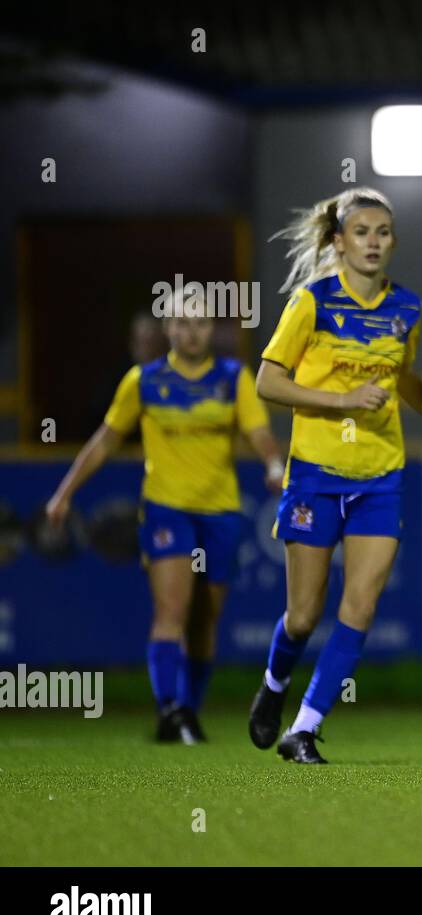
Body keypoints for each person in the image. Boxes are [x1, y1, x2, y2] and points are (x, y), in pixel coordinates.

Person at [247, 187, 422, 764]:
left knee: (360, 607)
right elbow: (268, 383)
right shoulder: (312, 302)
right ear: (338, 241)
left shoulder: (407, 308)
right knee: (303, 616)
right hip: (316, 474)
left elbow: (405, 379)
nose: (372, 242)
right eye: (361, 232)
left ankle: (303, 727)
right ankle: (274, 687)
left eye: (382, 232)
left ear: (393, 242)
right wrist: (343, 400)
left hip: (380, 475)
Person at [47, 298, 282, 743]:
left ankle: (186, 710)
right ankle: (170, 707)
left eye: (199, 323)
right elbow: (105, 440)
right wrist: (65, 492)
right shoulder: (144, 381)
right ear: (167, 329)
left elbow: (259, 432)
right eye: (181, 322)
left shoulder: (234, 378)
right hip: (166, 508)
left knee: (205, 618)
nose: (190, 331)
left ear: (211, 329)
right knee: (171, 610)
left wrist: (273, 465)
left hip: (221, 513)